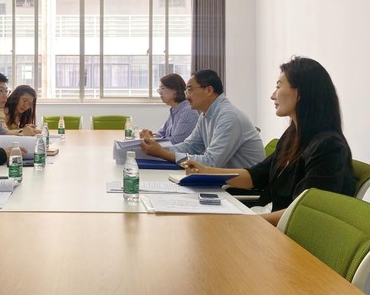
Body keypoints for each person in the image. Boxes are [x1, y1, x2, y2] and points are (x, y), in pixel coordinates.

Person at [182, 57, 356, 226]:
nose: (273, 96)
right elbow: (256, 176)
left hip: (285, 231)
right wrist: (205, 171)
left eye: (278, 87)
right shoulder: (292, 135)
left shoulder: (329, 147)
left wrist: (245, 222)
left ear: (300, 92)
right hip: (266, 217)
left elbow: (305, 212)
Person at [140, 69, 264, 168]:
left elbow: (211, 162)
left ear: (209, 90)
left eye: (190, 90)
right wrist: (156, 148)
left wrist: (163, 153)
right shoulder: (205, 115)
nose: (186, 96)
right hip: (222, 181)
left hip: (241, 188)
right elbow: (190, 146)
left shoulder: (228, 116)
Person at [139, 73, 199, 144]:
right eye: (159, 89)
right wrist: (151, 135)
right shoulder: (174, 109)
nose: (160, 92)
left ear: (175, 90)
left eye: (163, 88)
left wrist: (150, 139)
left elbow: (175, 142)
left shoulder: (187, 111)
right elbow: (162, 133)